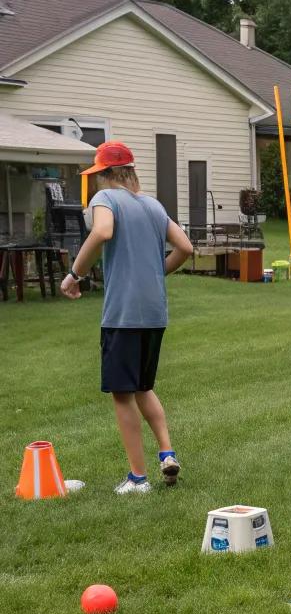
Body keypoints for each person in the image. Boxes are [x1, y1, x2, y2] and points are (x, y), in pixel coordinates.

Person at [60, 140, 193, 494]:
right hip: (154, 313)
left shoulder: (104, 200)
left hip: (122, 314)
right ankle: (167, 453)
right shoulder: (153, 205)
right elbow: (186, 248)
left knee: (122, 394)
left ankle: (137, 478)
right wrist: (156, 271)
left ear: (105, 174)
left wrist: (75, 274)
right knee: (143, 387)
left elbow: (102, 231)